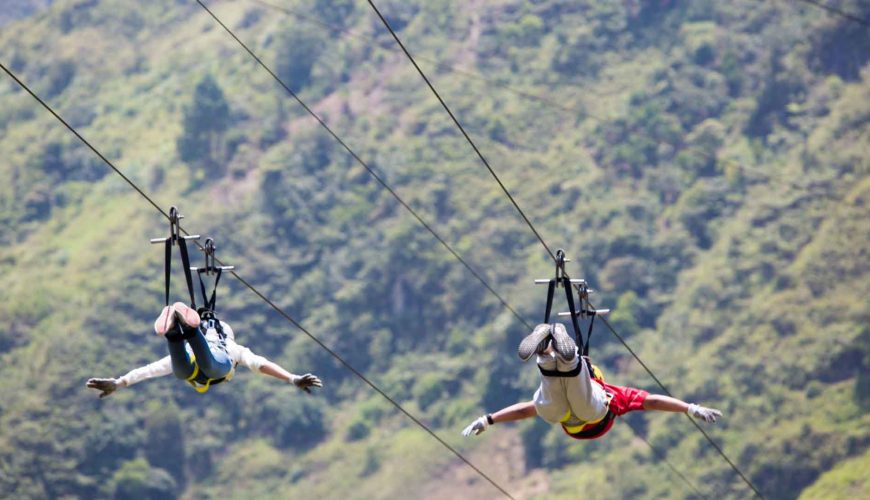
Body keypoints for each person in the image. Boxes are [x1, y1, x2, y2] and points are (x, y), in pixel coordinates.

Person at [462, 323, 721, 439]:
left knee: (549, 402)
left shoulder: (606, 394)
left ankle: (547, 354)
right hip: (589, 413)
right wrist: (689, 407)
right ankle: (564, 358)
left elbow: (524, 409)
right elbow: (651, 401)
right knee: (563, 396)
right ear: (597, 380)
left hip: (564, 415)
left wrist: (490, 419)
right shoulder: (611, 395)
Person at [86, 302, 322, 397]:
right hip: (214, 365)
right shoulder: (232, 348)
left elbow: (150, 370)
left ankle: (175, 331)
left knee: (179, 366)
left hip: (190, 363)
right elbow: (260, 364)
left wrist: (120, 382)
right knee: (209, 367)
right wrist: (292, 378)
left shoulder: (210, 349)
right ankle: (185, 329)